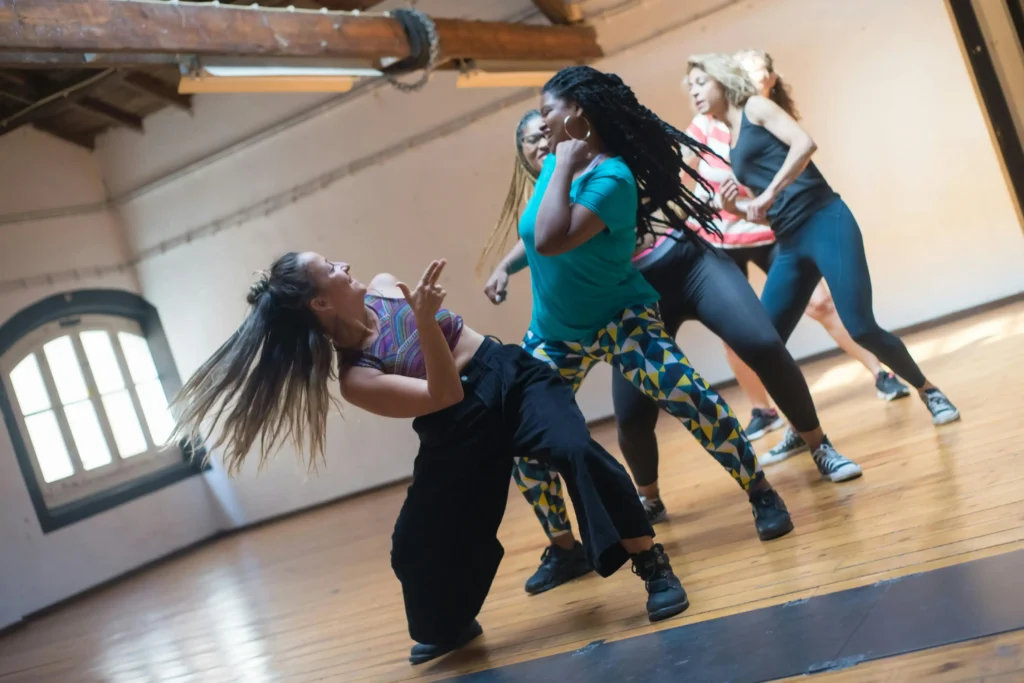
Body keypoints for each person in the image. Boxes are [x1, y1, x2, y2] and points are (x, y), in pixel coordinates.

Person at [170, 254, 694, 667]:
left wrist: (421, 318)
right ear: (320, 305)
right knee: (414, 542)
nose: (344, 266)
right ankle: (450, 624)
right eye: (330, 269)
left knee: (575, 449)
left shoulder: (382, 284)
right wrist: (423, 322)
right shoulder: (357, 379)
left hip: (510, 379)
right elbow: (443, 398)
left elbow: (456, 360)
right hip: (456, 422)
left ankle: (652, 564)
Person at [483, 66, 796, 596]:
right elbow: (536, 234)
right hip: (556, 333)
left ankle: (761, 491)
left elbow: (556, 239)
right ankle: (565, 548)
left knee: (692, 400)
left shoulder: (612, 177)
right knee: (519, 436)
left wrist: (563, 164)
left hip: (622, 320)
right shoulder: (550, 177)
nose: (543, 122)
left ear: (577, 114)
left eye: (548, 111)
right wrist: (504, 267)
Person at [686, 53, 960, 452]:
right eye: (689, 86)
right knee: (764, 342)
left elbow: (805, 144)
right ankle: (802, 429)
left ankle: (928, 389)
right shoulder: (727, 136)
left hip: (826, 220)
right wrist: (736, 209)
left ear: (721, 80)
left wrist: (767, 194)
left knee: (861, 325)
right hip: (790, 240)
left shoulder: (757, 108)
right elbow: (766, 213)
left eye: (699, 82)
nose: (692, 92)